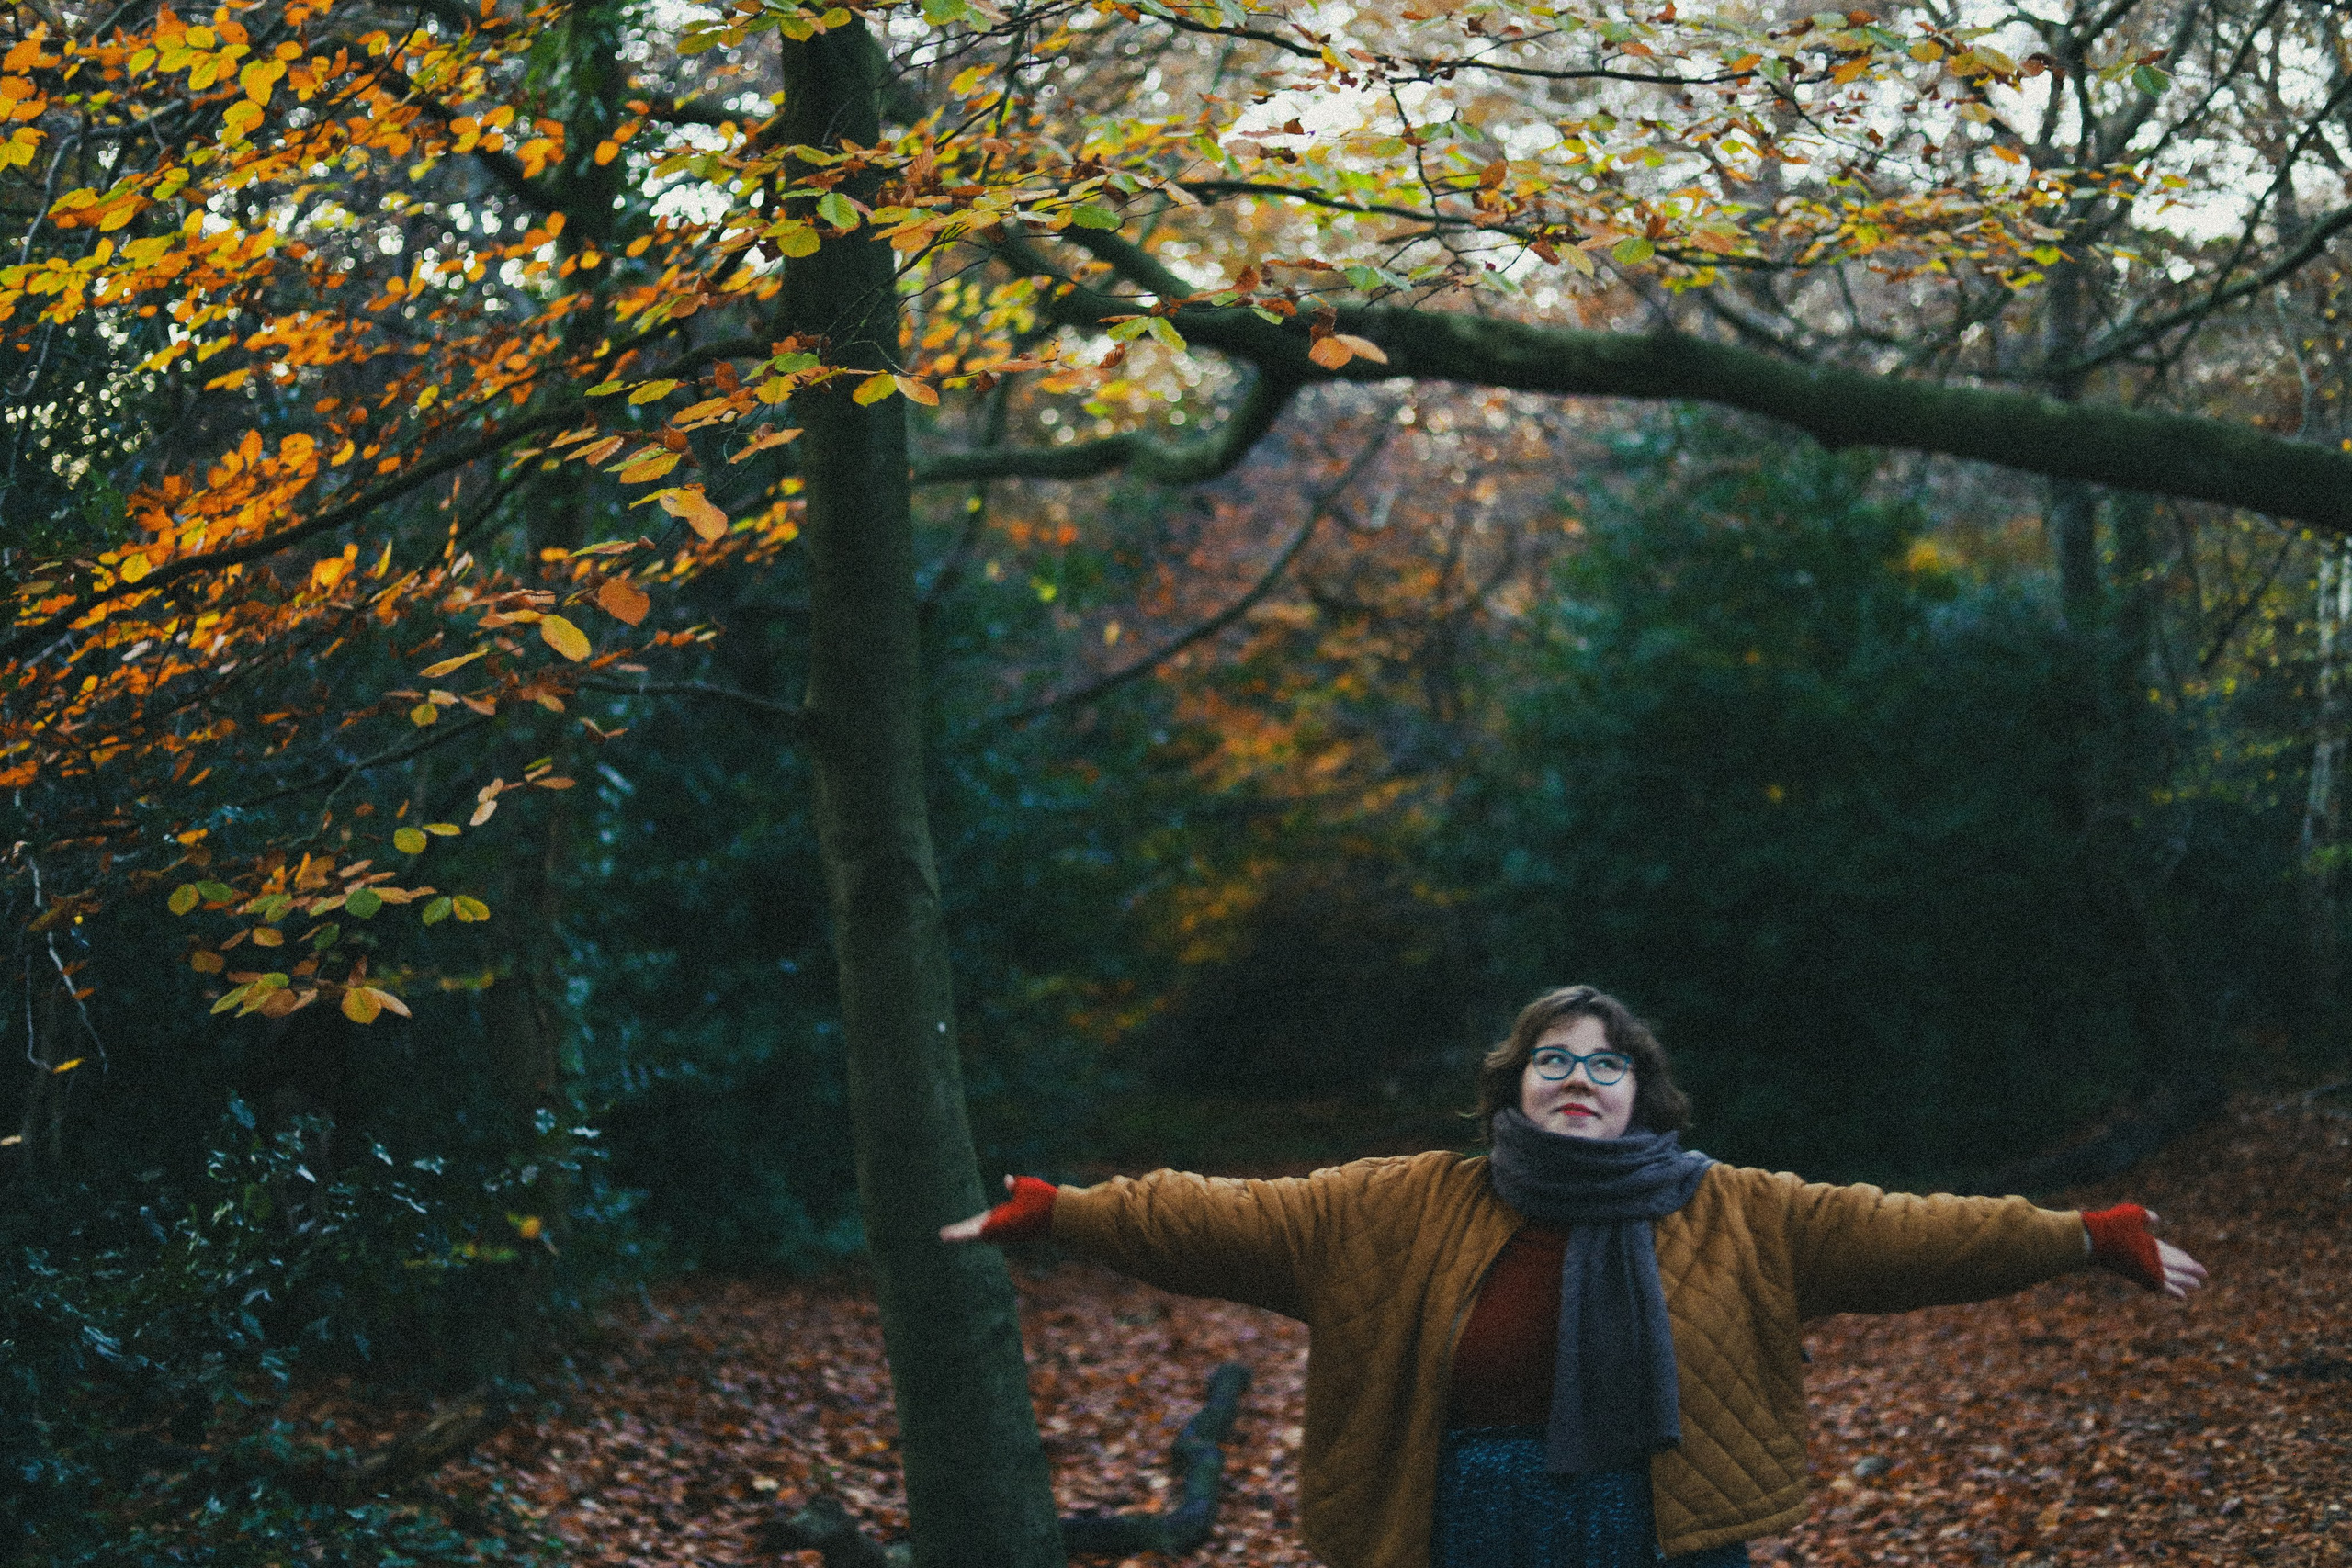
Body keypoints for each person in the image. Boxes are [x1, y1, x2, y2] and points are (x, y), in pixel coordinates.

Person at [942, 984, 2208, 1568]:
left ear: (1641, 1093)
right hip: (1458, 1521)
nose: (1580, 1080)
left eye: (1606, 1066)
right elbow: (1219, 1217)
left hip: (1665, 1523)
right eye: (1555, 1060)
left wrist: (2081, 1237)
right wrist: (1070, 1212)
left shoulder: (1735, 1209)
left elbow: (1909, 1232)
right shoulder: (1403, 1201)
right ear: (1516, 1086)